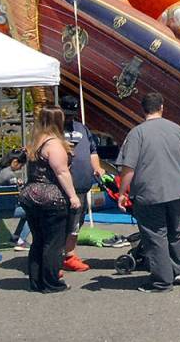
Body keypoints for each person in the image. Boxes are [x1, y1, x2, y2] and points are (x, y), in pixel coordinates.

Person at [116, 92, 180, 293]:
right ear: (162, 107)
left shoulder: (137, 134)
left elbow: (128, 167)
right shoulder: (177, 129)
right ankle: (179, 270)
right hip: (176, 190)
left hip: (149, 192)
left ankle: (161, 280)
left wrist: (122, 192)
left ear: (143, 109)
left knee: (155, 235)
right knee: (175, 231)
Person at [21, 107, 81, 293]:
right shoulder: (54, 144)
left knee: (38, 239)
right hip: (50, 196)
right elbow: (61, 172)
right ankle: (51, 282)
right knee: (54, 242)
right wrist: (73, 196)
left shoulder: (35, 141)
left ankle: (36, 280)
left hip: (31, 194)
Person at [61, 101, 105, 272]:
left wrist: (98, 168)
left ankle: (70, 254)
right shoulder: (55, 129)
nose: (69, 118)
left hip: (82, 185)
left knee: (76, 222)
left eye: (72, 114)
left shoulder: (82, 128)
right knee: (64, 222)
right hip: (63, 187)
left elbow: (93, 151)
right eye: (67, 114)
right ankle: (62, 255)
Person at [0, 150, 32, 250]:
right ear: (15, 161)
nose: (20, 168)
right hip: (1, 209)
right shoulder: (9, 175)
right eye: (21, 166)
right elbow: (18, 194)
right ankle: (20, 241)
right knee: (32, 213)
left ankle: (16, 237)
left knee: (26, 212)